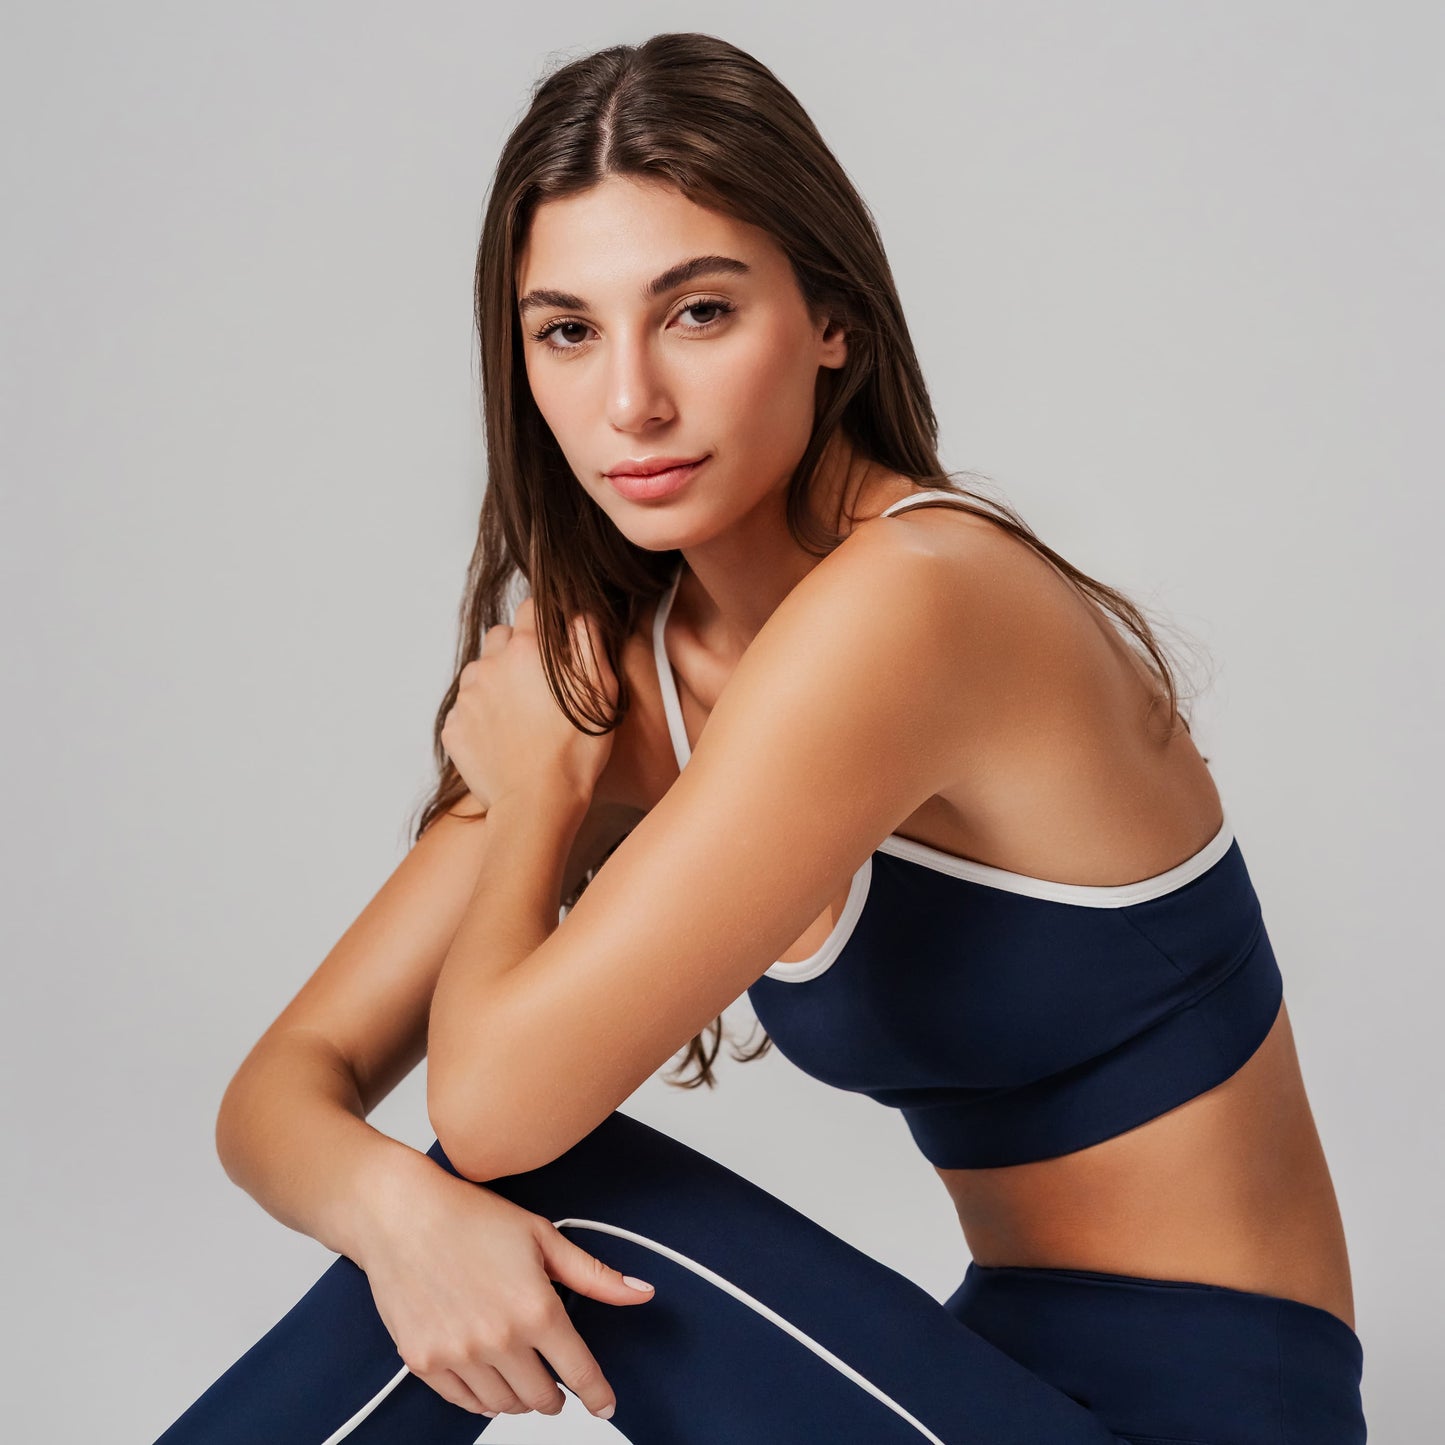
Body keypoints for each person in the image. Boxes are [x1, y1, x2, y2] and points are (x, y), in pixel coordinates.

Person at [151, 31, 1367, 1445]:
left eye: (699, 312)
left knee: (540, 1190)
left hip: (1211, 1419)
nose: (631, 403)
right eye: (568, 331)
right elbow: (278, 1095)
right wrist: (398, 1213)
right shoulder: (624, 679)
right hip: (977, 1388)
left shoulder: (920, 601)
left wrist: (542, 799)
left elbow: (493, 1122)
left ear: (830, 319)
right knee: (452, 1221)